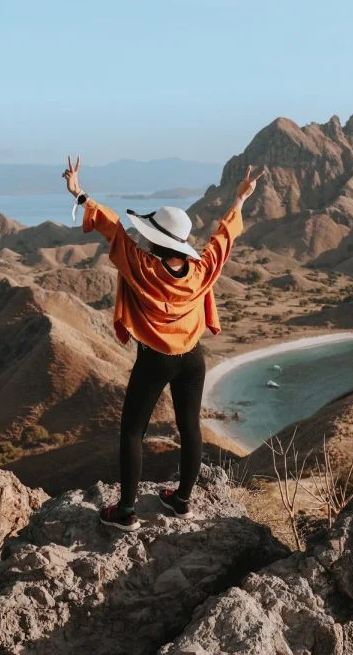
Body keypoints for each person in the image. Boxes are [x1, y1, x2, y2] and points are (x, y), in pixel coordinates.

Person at [62, 155, 266, 531]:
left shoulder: (141, 266)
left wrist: (79, 194)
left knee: (132, 432)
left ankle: (126, 512)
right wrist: (241, 198)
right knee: (190, 428)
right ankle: (182, 502)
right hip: (192, 358)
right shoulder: (200, 270)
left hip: (155, 359)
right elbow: (224, 237)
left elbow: (112, 228)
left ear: (156, 240)